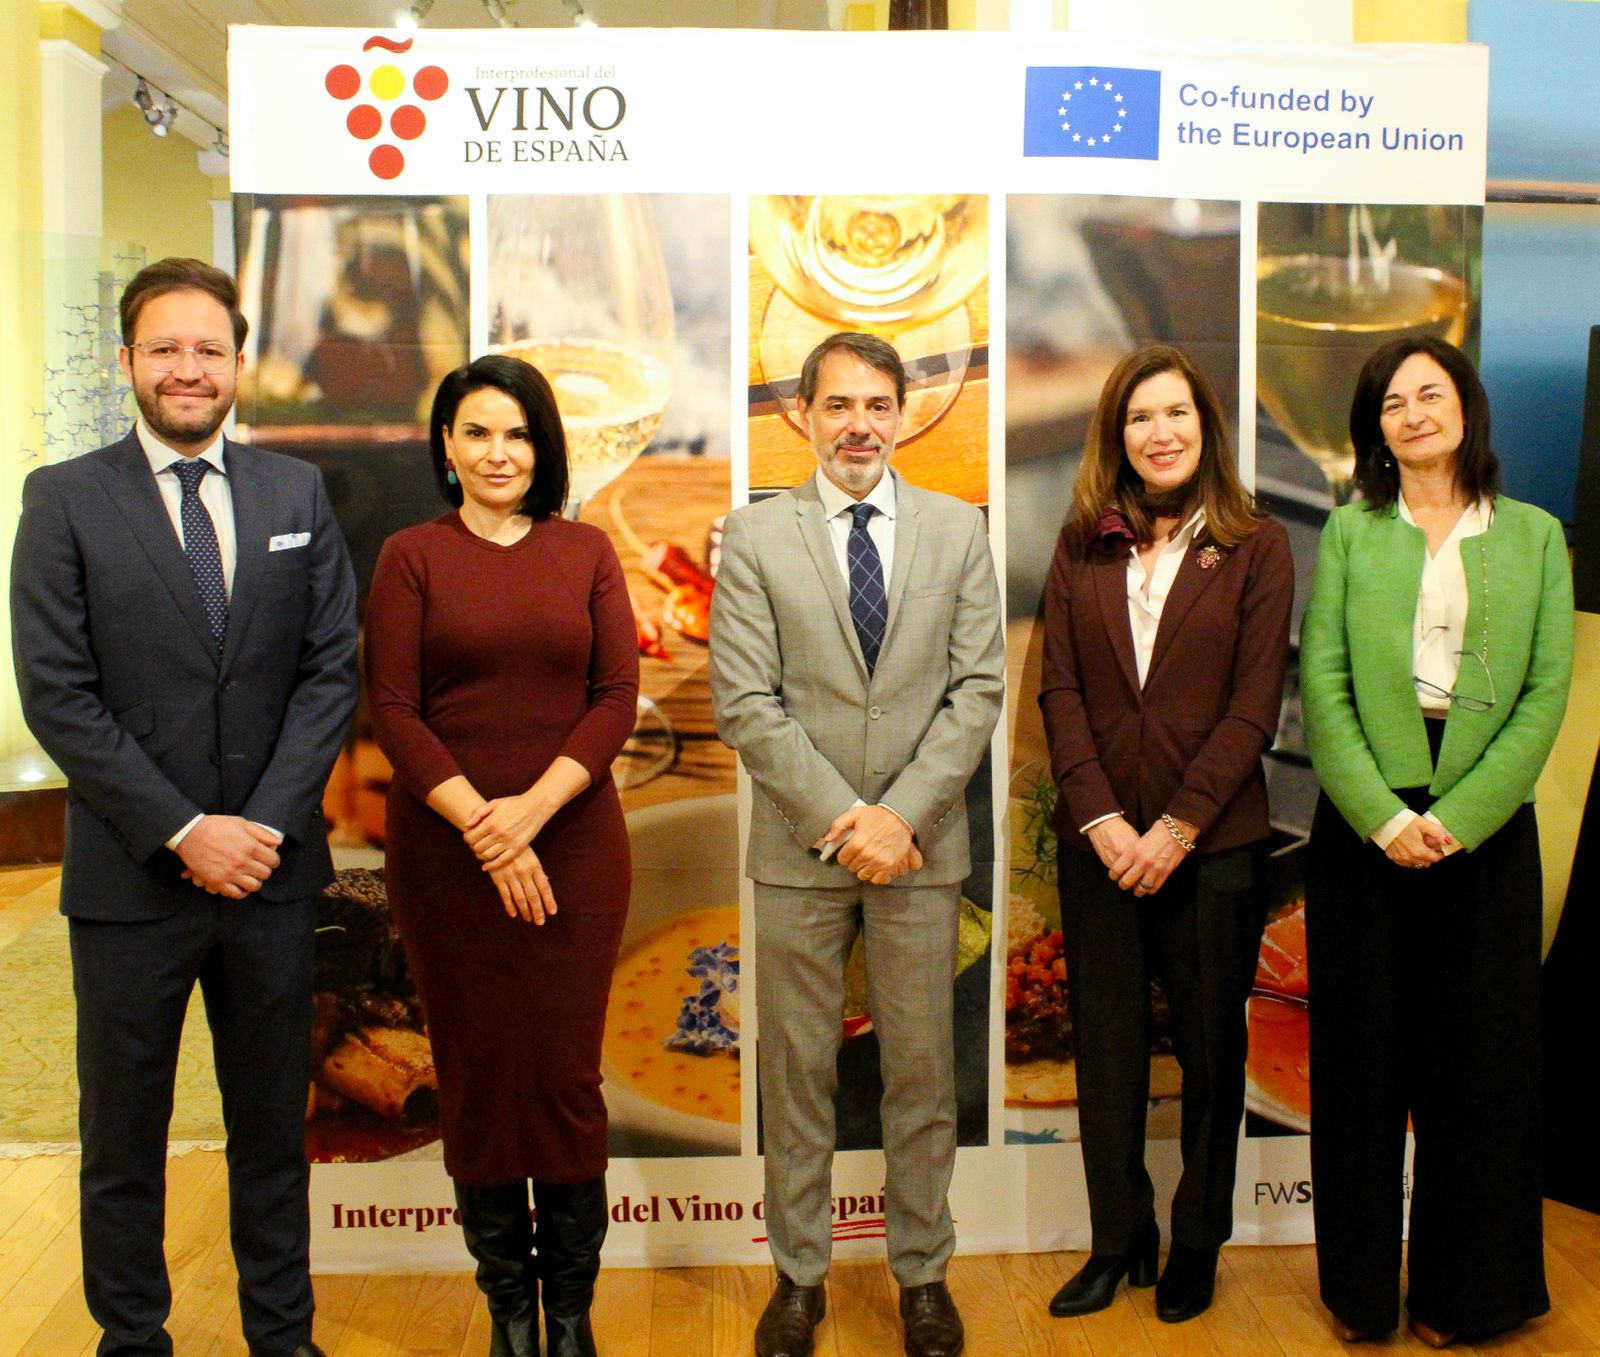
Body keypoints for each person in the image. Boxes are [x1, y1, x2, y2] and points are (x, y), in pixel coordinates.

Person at [9, 257, 359, 1357]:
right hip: (132, 879)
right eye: (164, 348)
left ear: (240, 362)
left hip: (270, 874)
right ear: (127, 360)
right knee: (123, 1134)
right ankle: (132, 1338)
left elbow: (329, 671)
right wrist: (184, 831)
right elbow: (58, 694)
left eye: (209, 348)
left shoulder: (295, 493)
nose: (188, 368)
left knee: (272, 1127)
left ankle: (283, 1336)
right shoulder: (63, 499)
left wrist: (259, 826)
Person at [709, 332, 1004, 1357]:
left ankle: (922, 1276)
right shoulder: (756, 537)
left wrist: (900, 817)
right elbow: (745, 703)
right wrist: (849, 820)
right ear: (803, 414)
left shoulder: (957, 530)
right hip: (802, 853)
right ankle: (798, 1277)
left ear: (903, 415)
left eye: (877, 404)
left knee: (921, 1074)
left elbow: (978, 689)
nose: (859, 425)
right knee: (799, 1076)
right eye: (838, 404)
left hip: (921, 851)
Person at [364, 354, 638, 1357]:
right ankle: (509, 1318)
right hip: (446, 857)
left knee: (563, 1077)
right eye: (476, 431)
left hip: (575, 847)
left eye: (517, 433)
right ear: (446, 445)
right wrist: (487, 827)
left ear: (543, 446)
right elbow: (393, 708)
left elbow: (615, 697)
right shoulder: (410, 556)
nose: (497, 452)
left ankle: (570, 1316)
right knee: (476, 1078)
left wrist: (529, 813)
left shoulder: (586, 550)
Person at [1300, 336, 1572, 1348]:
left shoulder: (1533, 534)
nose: (1414, 413)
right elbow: (1322, 683)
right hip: (1364, 821)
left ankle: (1470, 1296)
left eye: (1432, 392)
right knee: (1360, 1067)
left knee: (1480, 1071)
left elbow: (1545, 691)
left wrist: (1460, 817)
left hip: (1484, 827)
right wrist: (1382, 814)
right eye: (1392, 402)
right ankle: (1361, 1294)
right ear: (1374, 427)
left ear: (1466, 406)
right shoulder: (1349, 532)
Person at [1037, 345, 1293, 1324]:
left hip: (1213, 848)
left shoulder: (1256, 545)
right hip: (1099, 848)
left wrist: (1175, 830)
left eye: (1176, 412)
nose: (1160, 432)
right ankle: (1118, 1240)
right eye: (1140, 416)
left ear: (1204, 426)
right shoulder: (1081, 546)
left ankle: (1195, 1243)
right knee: (1105, 1053)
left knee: (1210, 1055)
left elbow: (1252, 708)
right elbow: (1060, 693)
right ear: (1117, 435)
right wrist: (1105, 822)